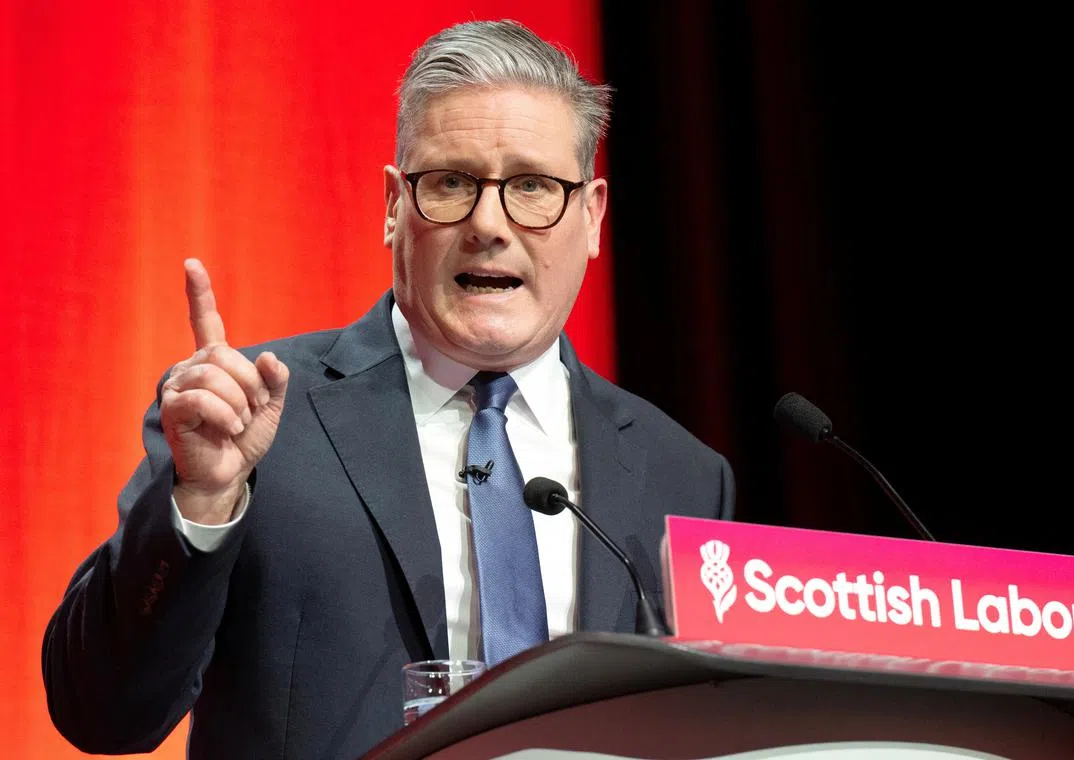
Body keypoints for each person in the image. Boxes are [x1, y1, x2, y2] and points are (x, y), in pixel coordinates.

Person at [42, 18, 735, 759]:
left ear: (591, 216)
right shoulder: (249, 421)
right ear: (393, 205)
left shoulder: (683, 476)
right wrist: (204, 503)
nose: (489, 224)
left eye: (533, 186)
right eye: (451, 183)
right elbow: (102, 713)